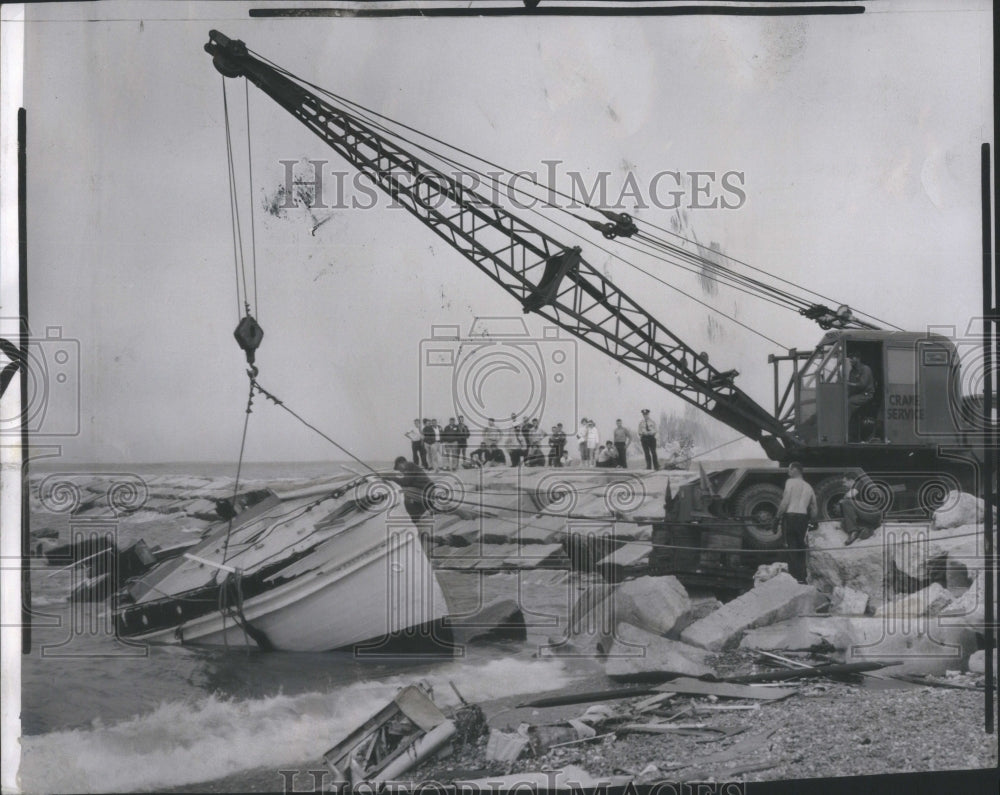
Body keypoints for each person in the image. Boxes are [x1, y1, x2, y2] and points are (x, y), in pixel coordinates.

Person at [773, 462, 818, 582]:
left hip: (790, 517)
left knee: (790, 547)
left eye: (789, 469)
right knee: (801, 547)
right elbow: (814, 506)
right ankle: (802, 577)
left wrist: (777, 518)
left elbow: (785, 501)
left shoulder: (790, 482)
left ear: (794, 470)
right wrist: (814, 521)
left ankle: (794, 579)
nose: (788, 471)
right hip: (803, 518)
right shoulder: (809, 486)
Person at [388, 456, 435, 525]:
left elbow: (406, 482)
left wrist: (392, 478)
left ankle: (416, 518)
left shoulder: (409, 465)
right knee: (406, 492)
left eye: (399, 468)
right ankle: (422, 512)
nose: (400, 471)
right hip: (428, 492)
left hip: (429, 493)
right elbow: (408, 482)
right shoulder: (412, 467)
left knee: (406, 494)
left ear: (401, 463)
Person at [840, 472, 883, 545]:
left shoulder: (859, 484)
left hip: (873, 512)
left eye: (844, 482)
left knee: (846, 502)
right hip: (870, 516)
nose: (843, 484)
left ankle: (853, 532)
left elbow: (849, 496)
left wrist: (841, 501)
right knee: (844, 523)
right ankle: (867, 529)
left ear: (851, 480)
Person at [847, 353, 875, 440]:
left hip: (866, 394)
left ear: (858, 358)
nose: (850, 360)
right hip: (857, 394)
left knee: (849, 402)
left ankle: (846, 431)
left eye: (852, 358)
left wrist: (848, 384)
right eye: (850, 358)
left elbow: (862, 385)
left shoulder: (865, 369)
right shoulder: (852, 371)